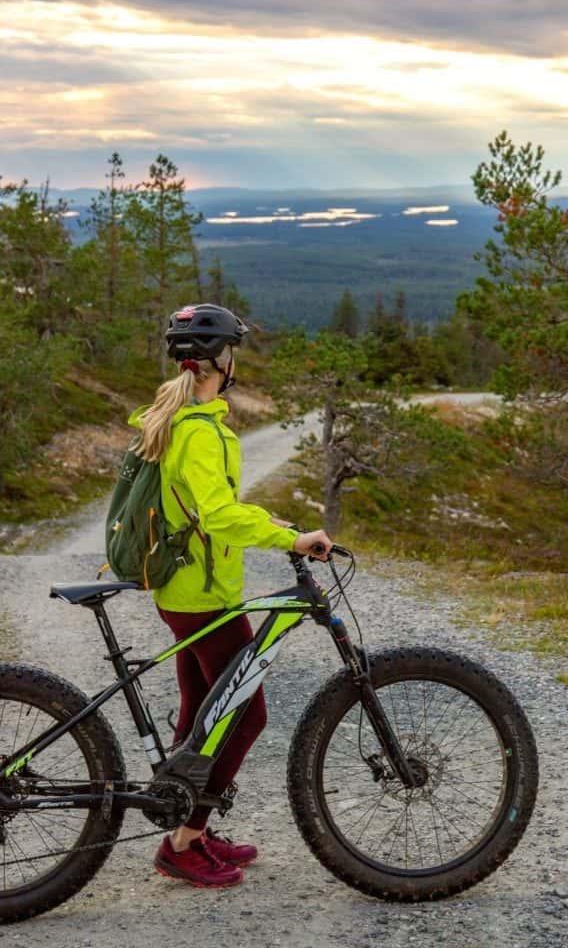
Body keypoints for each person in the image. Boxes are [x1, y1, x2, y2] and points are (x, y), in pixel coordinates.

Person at [128, 303, 332, 889]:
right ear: (221, 361)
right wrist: (291, 537)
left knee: (201, 713)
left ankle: (186, 817)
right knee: (244, 715)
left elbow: (205, 506)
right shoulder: (197, 431)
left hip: (184, 589)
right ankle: (183, 842)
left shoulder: (181, 419)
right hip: (203, 596)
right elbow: (216, 515)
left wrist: (267, 521)